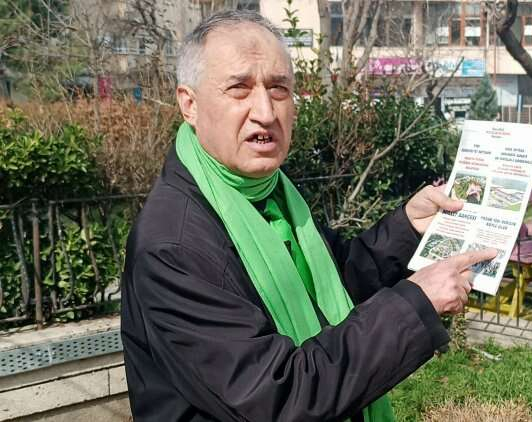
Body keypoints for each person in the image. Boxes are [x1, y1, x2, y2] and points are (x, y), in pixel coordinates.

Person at [120, 10, 496, 422]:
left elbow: (338, 287)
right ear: (189, 104)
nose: (265, 111)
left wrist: (408, 226)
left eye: (279, 88)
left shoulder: (270, 193)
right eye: (239, 89)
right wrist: (414, 304)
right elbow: (276, 397)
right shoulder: (173, 245)